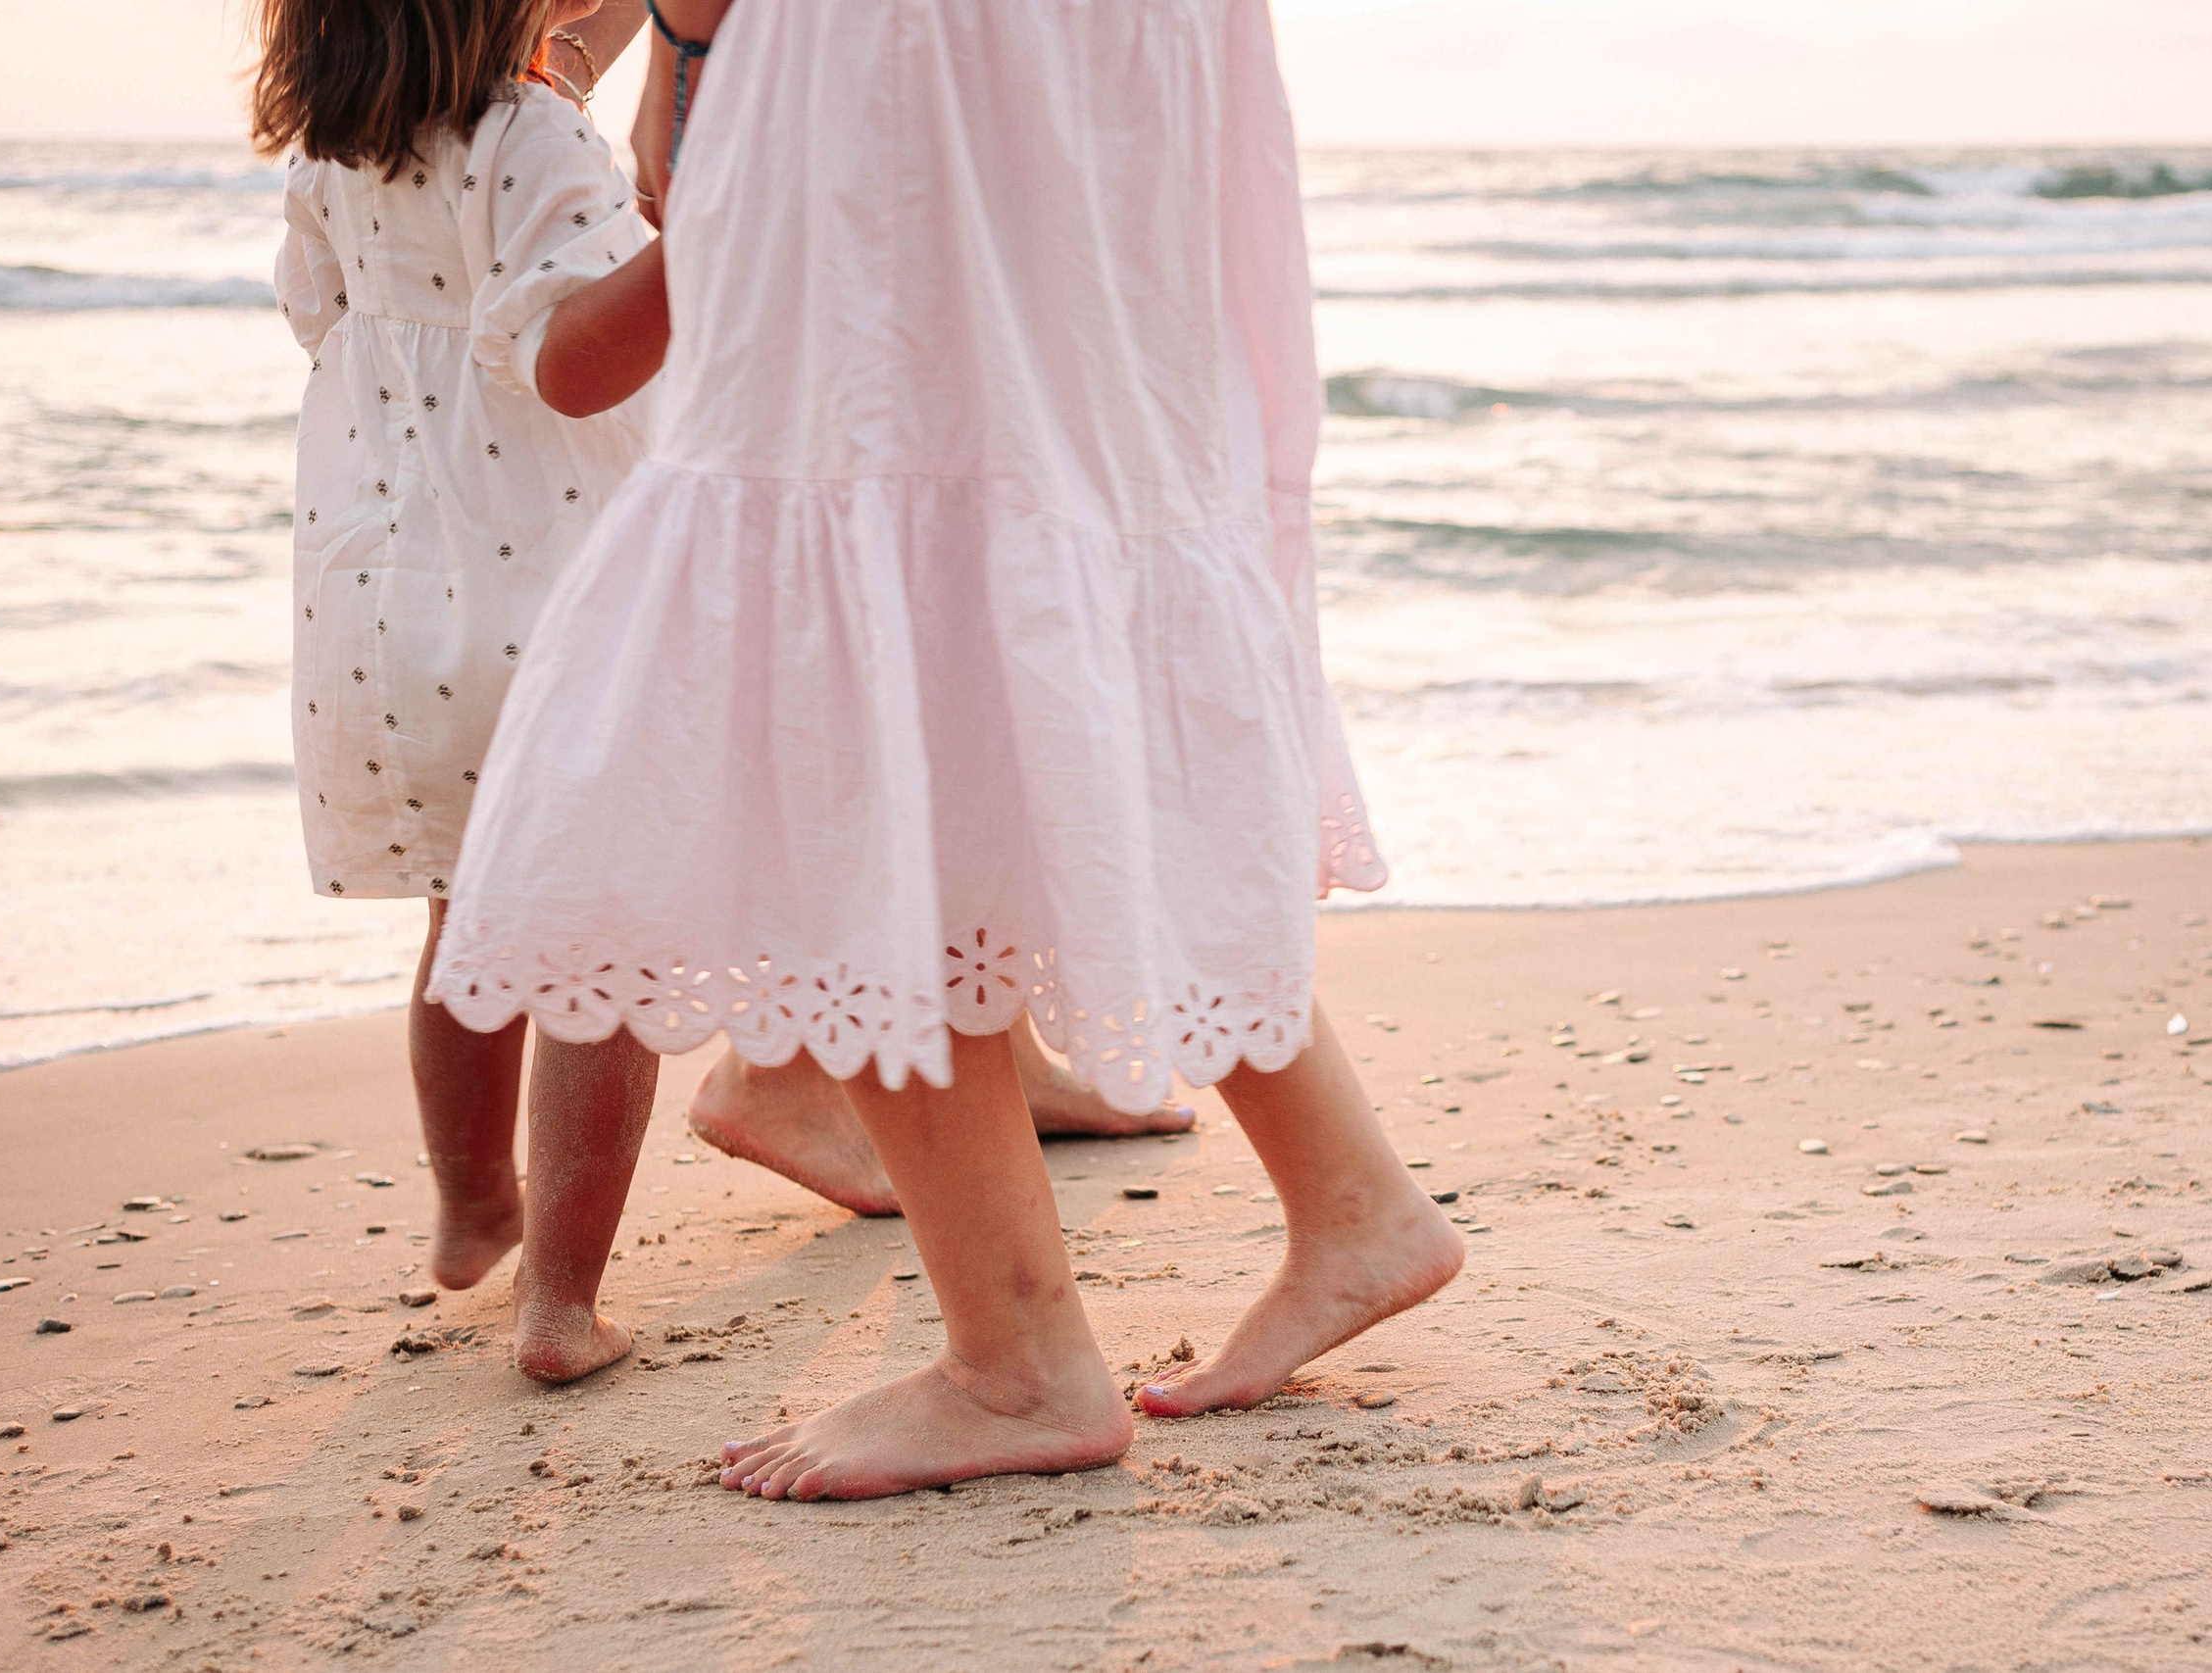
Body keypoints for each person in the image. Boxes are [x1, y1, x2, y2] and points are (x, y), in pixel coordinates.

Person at [428, 0, 1461, 1498]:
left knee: (886, 636)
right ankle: (1351, 1200)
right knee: (1023, 582)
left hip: (902, 63)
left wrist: (686, 44)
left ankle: (1016, 1358)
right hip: (1105, 52)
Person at [257, 0, 676, 1379]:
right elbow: (584, 349)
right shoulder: (536, 134)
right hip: (547, 586)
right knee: (600, 945)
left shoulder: (334, 146)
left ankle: (470, 1201)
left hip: (383, 588)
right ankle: (559, 1307)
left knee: (464, 911)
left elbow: (312, 313)